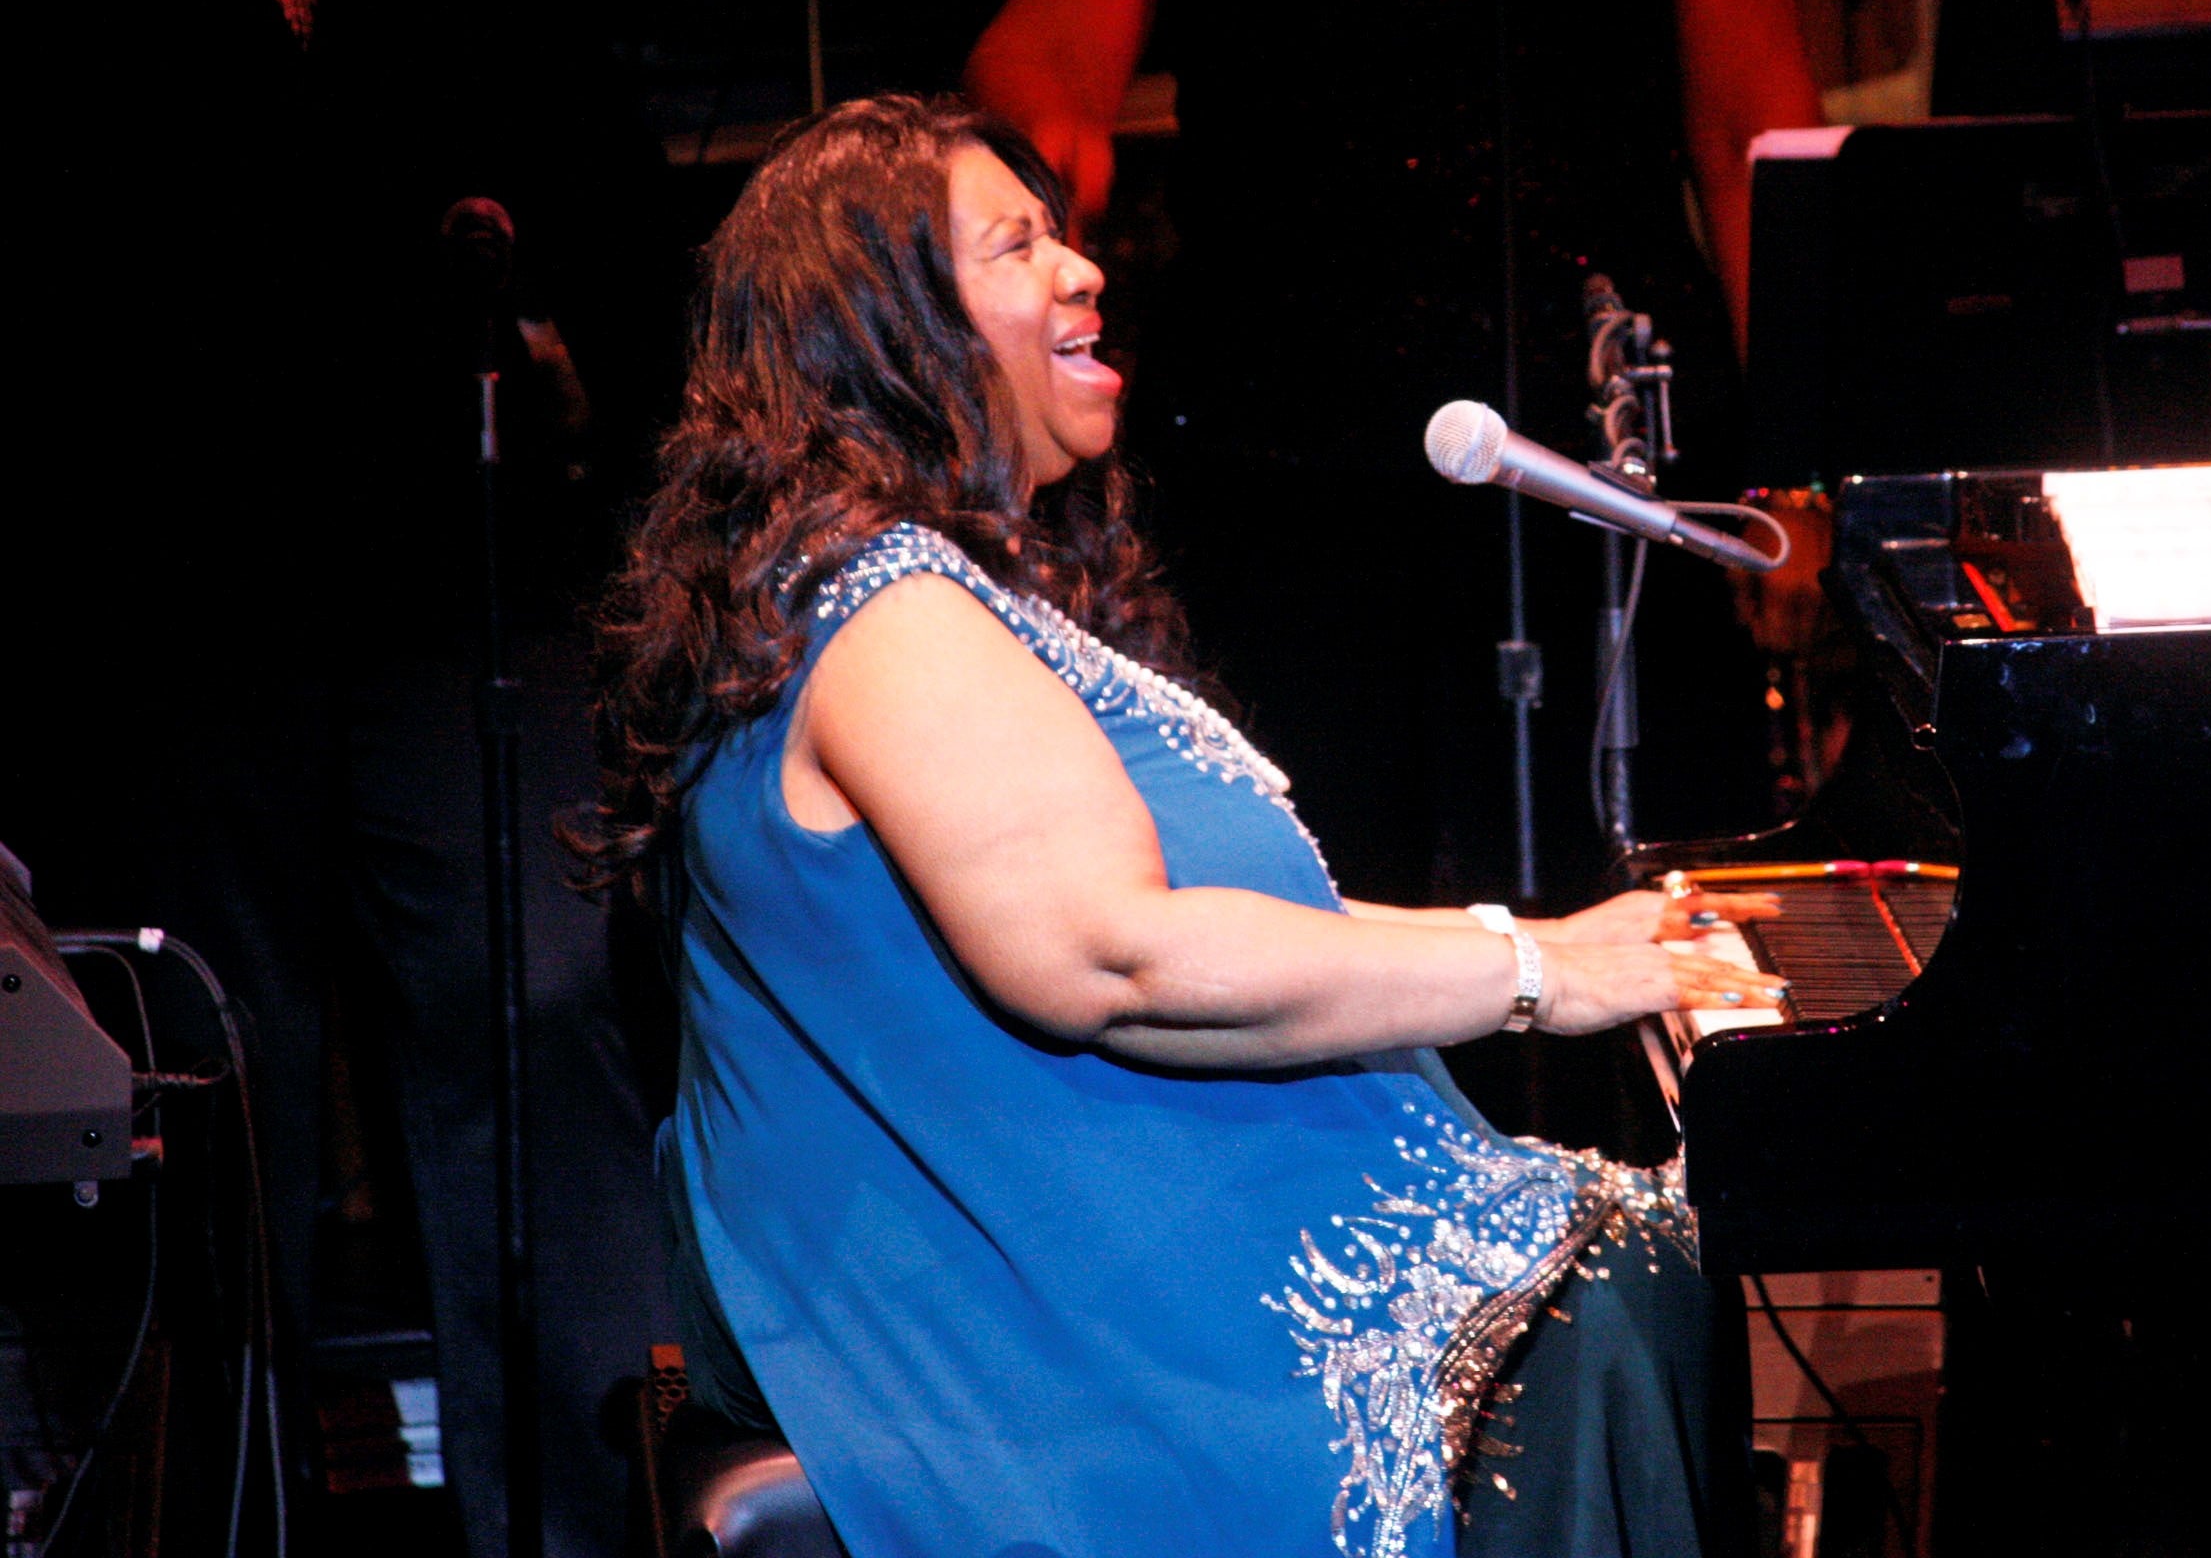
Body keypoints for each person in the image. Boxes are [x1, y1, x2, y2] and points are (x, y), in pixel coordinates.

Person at [572, 94, 1787, 1557]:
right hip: (1053, 1322)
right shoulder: (883, 604)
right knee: (1636, 1284)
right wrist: (1544, 972)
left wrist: (1559, 957)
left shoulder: (924, 593)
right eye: (1014, 247)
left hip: (1133, 1252)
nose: (1081, 270)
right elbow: (1109, 959)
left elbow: (1265, 946)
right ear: (886, 330)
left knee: (1653, 1264)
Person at [966, 0, 1823, 925]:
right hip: (1282, 465)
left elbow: (1749, 134)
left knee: (1643, 883)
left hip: (1601, 461)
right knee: (1312, 883)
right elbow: (1046, 63)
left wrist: (1801, 463)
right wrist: (1037, 188)